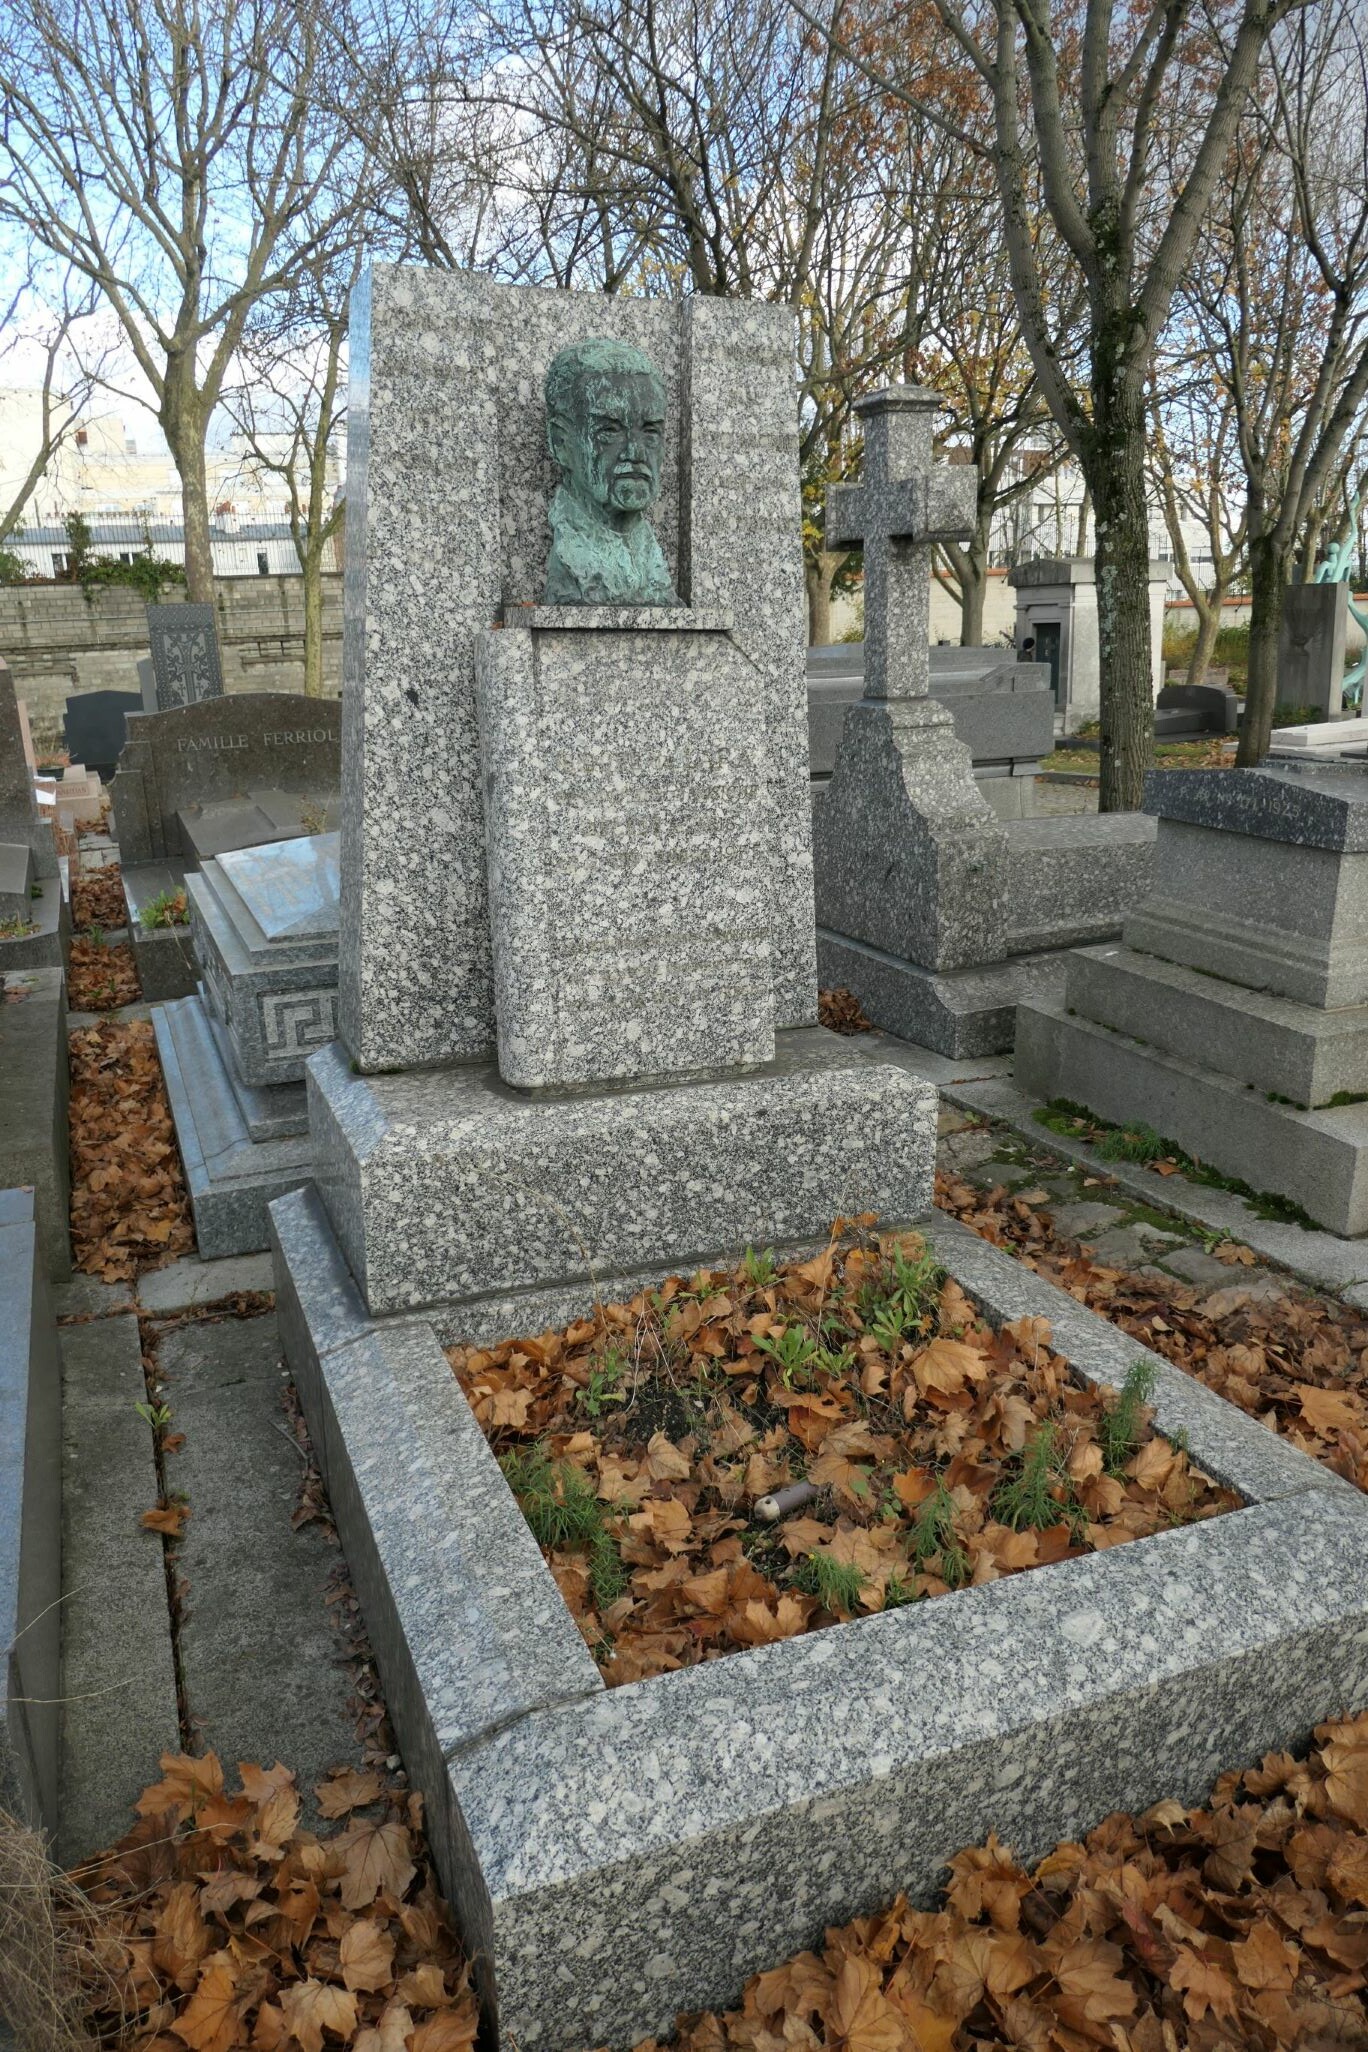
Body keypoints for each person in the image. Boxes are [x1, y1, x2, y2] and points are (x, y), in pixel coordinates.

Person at [544, 338, 679, 605]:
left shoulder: (651, 559)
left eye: (650, 431)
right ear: (561, 443)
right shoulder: (569, 553)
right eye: (609, 431)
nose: (635, 452)